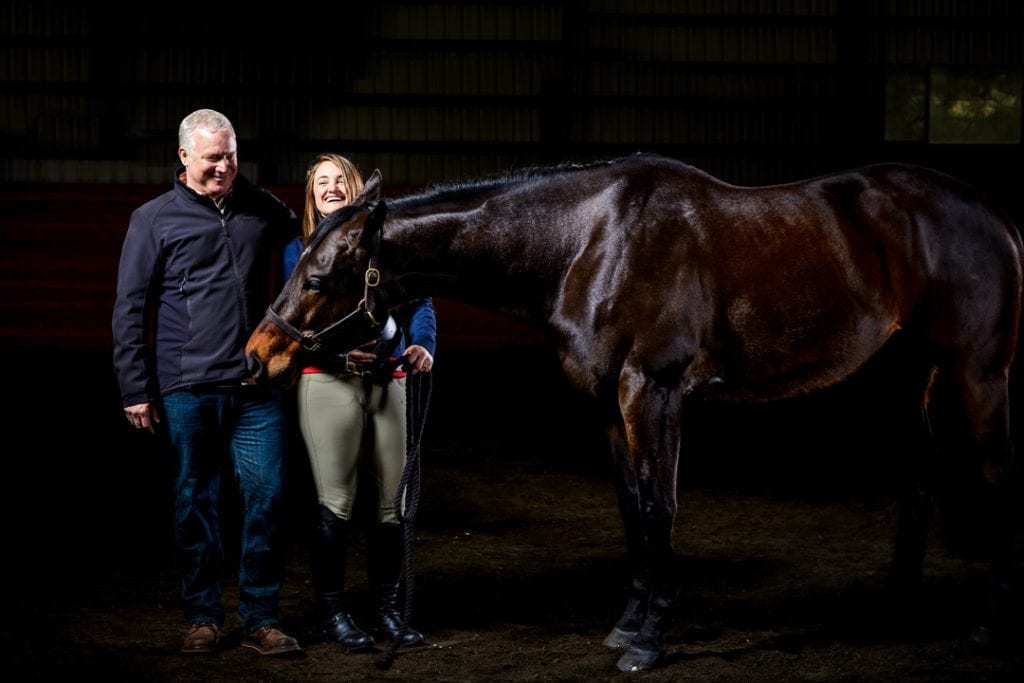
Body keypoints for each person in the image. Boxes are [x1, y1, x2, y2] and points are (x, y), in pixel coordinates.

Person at [112, 108, 302, 658]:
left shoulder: (261, 208)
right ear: (184, 157)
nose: (225, 167)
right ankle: (202, 616)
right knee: (195, 501)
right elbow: (130, 306)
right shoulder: (153, 219)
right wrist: (134, 388)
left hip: (254, 387)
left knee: (266, 497)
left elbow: (306, 244)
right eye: (214, 157)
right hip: (186, 386)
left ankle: (261, 618)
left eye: (231, 155)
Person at [283, 153, 436, 651]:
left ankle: (387, 612)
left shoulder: (387, 248)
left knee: (393, 502)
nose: (330, 188)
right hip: (329, 380)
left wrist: (423, 342)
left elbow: (422, 300)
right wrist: (332, 347)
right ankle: (334, 613)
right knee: (337, 503)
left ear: (355, 190)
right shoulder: (299, 250)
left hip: (389, 379)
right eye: (320, 182)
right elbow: (298, 318)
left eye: (339, 181)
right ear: (312, 194)